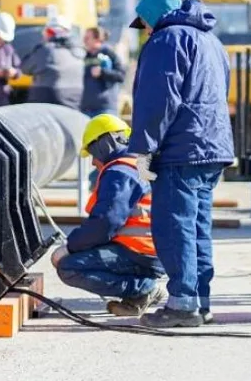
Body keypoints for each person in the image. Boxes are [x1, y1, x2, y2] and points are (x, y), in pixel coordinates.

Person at [125, 0, 234, 329]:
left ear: (153, 17)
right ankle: (200, 300)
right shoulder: (211, 41)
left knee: (175, 227)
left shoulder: (166, 41)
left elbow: (158, 101)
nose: (143, 32)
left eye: (142, 24)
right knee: (198, 227)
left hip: (180, 150)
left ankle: (183, 304)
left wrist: (142, 149)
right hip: (211, 148)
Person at [51, 114, 167, 317]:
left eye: (92, 154)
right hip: (156, 252)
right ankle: (137, 297)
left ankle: (143, 288)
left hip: (140, 253)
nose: (94, 162)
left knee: (69, 267)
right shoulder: (141, 163)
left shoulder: (120, 172)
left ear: (103, 145)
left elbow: (106, 222)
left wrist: (69, 247)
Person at [21, 15, 85, 110]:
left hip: (45, 100)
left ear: (48, 33)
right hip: (74, 102)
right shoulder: (80, 52)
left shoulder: (46, 50)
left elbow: (25, 68)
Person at [81, 26, 127, 116]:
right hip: (86, 109)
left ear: (97, 39)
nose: (84, 41)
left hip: (104, 109)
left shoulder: (109, 54)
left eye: (87, 38)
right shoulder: (86, 56)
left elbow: (121, 76)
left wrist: (102, 72)